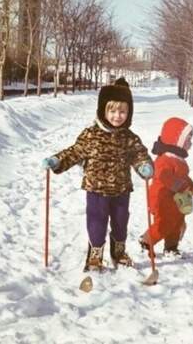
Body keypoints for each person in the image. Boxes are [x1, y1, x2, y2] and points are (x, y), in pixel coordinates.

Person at [41, 78, 154, 272]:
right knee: (96, 223)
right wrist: (57, 160)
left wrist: (144, 166)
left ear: (129, 113)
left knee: (121, 223)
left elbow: (139, 155)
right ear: (103, 110)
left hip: (121, 189)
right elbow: (75, 151)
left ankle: (118, 252)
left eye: (122, 111)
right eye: (112, 110)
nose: (117, 116)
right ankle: (95, 256)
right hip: (96, 189)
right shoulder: (91, 134)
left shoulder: (129, 137)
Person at [139, 117, 193, 258]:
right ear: (176, 140)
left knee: (177, 223)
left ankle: (171, 247)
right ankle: (147, 240)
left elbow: (184, 177)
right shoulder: (165, 159)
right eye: (188, 140)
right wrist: (180, 186)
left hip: (176, 201)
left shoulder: (179, 160)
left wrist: (191, 185)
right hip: (162, 199)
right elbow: (163, 176)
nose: (191, 143)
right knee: (164, 223)